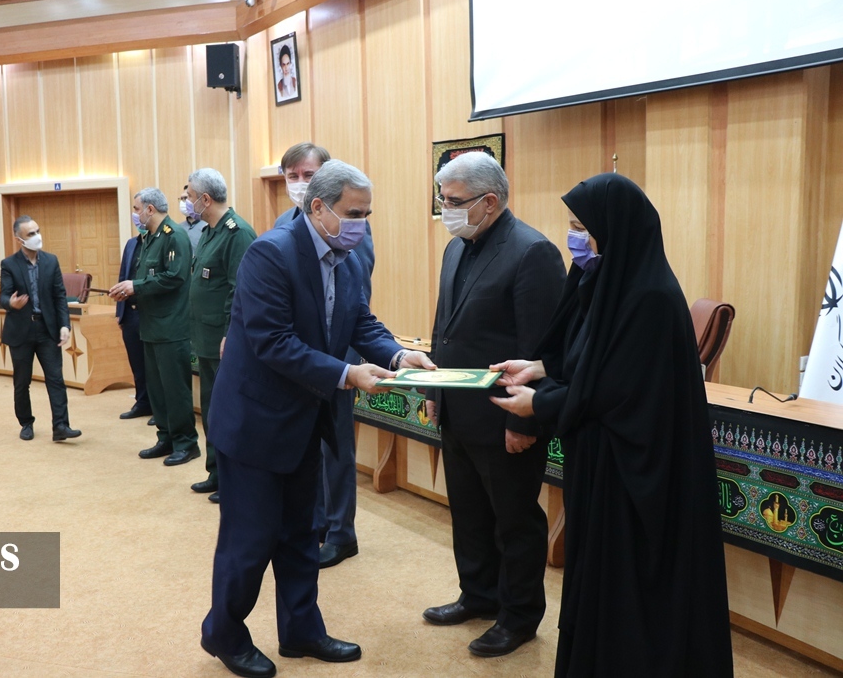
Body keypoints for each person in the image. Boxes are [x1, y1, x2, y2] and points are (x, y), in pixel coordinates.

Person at [491, 173, 734, 676]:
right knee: (598, 584)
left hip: (637, 481)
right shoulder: (604, 283)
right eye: (572, 226)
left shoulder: (650, 297)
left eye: (583, 228)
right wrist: (541, 368)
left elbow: (618, 394)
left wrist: (541, 406)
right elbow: (590, 362)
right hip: (603, 466)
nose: (574, 238)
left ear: (614, 229)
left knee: (630, 593)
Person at [200, 160, 435, 678]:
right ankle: (223, 632)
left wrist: (399, 355)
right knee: (250, 541)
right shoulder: (271, 253)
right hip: (255, 424)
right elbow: (273, 342)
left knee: (301, 535)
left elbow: (361, 321)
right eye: (354, 214)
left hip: (304, 420)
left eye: (367, 214)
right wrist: (347, 375)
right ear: (319, 208)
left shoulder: (346, 258)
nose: (361, 225)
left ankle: (301, 630)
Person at [422, 152, 566, 658]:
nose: (445, 209)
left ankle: (519, 616)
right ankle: (478, 595)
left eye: (453, 200)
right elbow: (444, 327)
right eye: (442, 198)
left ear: (489, 201)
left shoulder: (532, 251)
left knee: (514, 522)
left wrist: (525, 421)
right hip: (458, 412)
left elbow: (541, 347)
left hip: (508, 417)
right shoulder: (456, 246)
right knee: (468, 514)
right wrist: (436, 392)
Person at [274, 142, 376, 568]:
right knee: (306, 443)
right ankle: (315, 521)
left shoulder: (349, 226)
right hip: (299, 360)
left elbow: (355, 304)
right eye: (293, 176)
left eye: (309, 174)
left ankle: (341, 532)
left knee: (335, 448)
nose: (301, 183)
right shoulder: (283, 225)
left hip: (340, 359)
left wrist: (347, 364)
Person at [109, 188, 199, 466]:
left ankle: (186, 443)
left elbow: (174, 277)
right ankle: (166, 437)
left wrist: (135, 286)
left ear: (150, 209)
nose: (135, 214)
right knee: (158, 390)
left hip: (171, 328)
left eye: (137, 209)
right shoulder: (149, 238)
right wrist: (129, 291)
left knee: (175, 390)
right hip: (150, 326)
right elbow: (146, 277)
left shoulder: (174, 236)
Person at [185, 168, 257, 504]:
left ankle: (234, 480)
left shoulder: (237, 233)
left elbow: (239, 291)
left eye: (189, 197)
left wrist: (231, 334)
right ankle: (216, 473)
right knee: (212, 409)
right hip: (205, 338)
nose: (187, 203)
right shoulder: (209, 231)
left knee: (229, 413)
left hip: (224, 341)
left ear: (205, 198)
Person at [0, 216, 81, 443]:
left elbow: (60, 296)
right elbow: (3, 295)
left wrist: (64, 324)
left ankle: (61, 426)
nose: (37, 237)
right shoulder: (9, 264)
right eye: (31, 234)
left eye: (37, 231)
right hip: (21, 331)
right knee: (22, 382)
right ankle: (26, 422)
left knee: (56, 379)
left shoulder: (51, 261)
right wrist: (10, 303)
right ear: (19, 239)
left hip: (47, 330)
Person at [115, 215, 153, 422]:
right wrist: (120, 313)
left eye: (138, 210)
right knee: (137, 363)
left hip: (150, 313)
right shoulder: (131, 244)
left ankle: (159, 407)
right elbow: (123, 276)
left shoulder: (159, 242)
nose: (135, 215)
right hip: (130, 313)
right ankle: (142, 402)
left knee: (154, 365)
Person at [177, 185, 205, 254]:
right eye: (181, 199)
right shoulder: (178, 228)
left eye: (186, 198)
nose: (182, 202)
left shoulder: (207, 226)